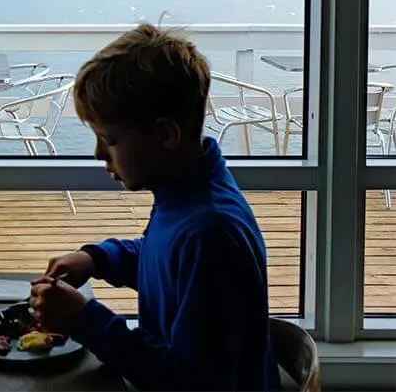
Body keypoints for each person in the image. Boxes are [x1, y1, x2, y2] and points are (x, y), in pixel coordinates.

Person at [28, 23, 281, 391]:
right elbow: (161, 259)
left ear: (166, 135)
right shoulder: (187, 195)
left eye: (110, 140)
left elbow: (192, 383)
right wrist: (99, 259)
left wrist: (86, 319)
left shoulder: (211, 234)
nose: (100, 154)